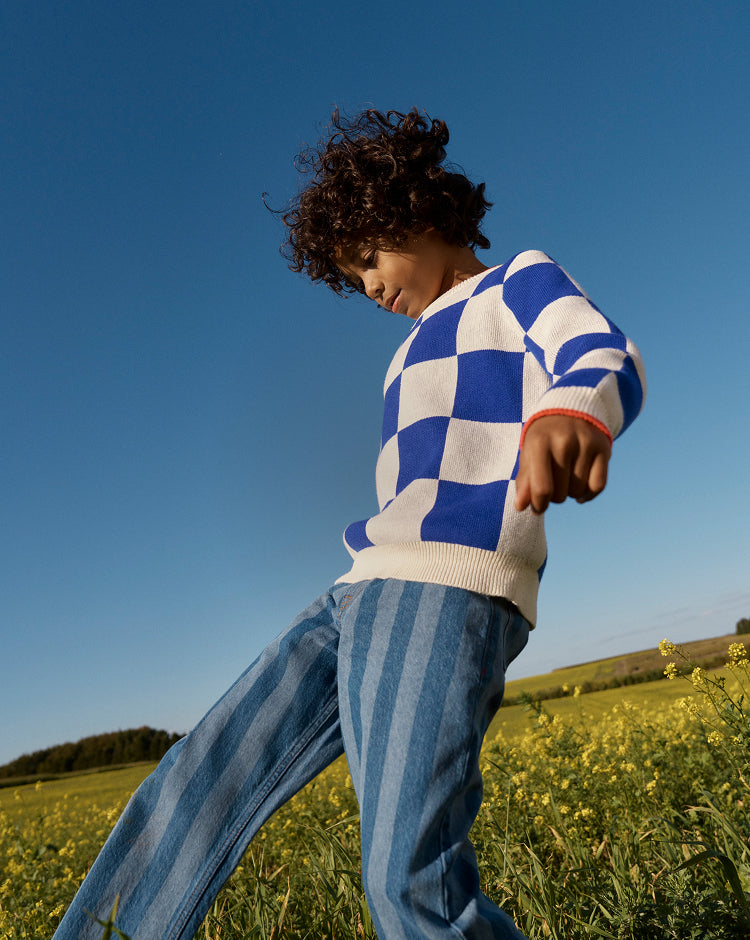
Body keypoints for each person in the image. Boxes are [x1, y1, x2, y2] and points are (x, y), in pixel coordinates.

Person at [52, 108, 645, 940]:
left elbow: (601, 351)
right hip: (355, 592)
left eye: (368, 258)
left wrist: (571, 412)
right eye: (352, 277)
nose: (368, 287)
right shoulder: (405, 352)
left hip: (445, 585)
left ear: (416, 209)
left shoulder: (516, 280)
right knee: (195, 783)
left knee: (408, 881)